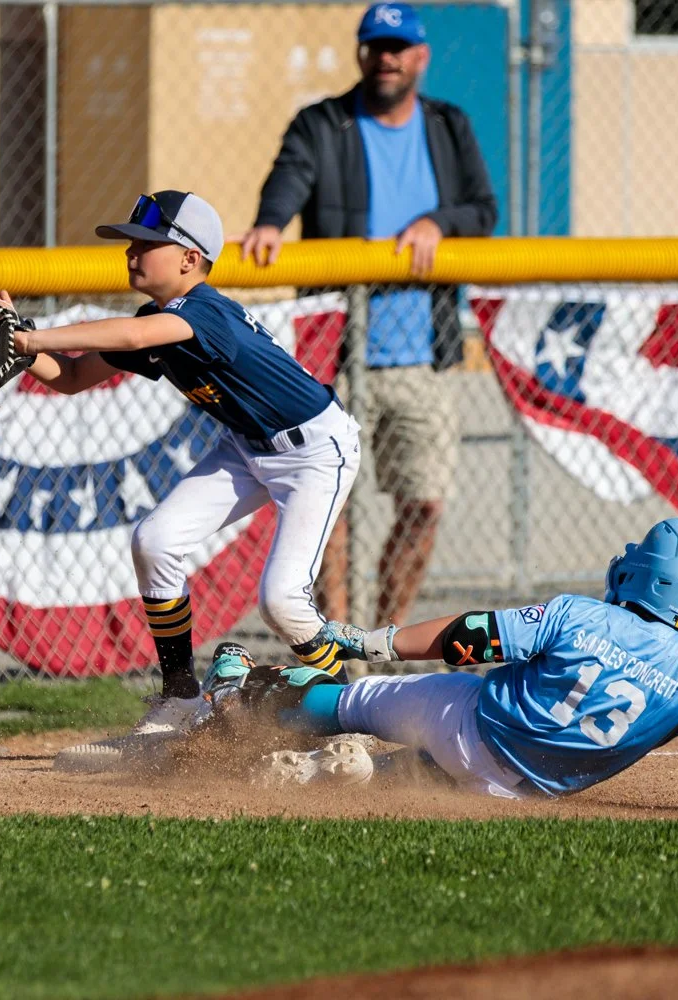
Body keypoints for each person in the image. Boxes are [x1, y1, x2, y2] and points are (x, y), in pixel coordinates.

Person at [201, 518, 678, 817]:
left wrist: (373, 640)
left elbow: (468, 639)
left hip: (464, 723)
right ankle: (340, 775)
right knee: (406, 781)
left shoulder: (583, 614)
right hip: (517, 794)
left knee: (354, 701)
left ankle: (254, 704)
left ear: (645, 578)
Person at [1, 190, 364, 765]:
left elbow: (133, 338)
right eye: (131, 243)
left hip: (316, 451)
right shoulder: (161, 321)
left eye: (147, 243)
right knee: (156, 540)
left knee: (281, 601)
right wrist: (20, 350)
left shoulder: (204, 313)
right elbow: (71, 378)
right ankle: (178, 697)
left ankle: (351, 712)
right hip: (248, 446)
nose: (131, 253)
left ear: (189, 260)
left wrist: (38, 336)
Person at [240, 2, 499, 627]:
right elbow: (289, 176)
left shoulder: (447, 125)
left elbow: (483, 211)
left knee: (425, 504)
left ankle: (382, 640)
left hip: (424, 356)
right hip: (335, 358)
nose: (387, 58)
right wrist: (272, 220)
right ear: (361, 53)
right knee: (328, 510)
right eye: (376, 46)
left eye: (399, 47)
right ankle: (335, 650)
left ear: (421, 56)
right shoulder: (324, 125)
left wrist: (441, 221)